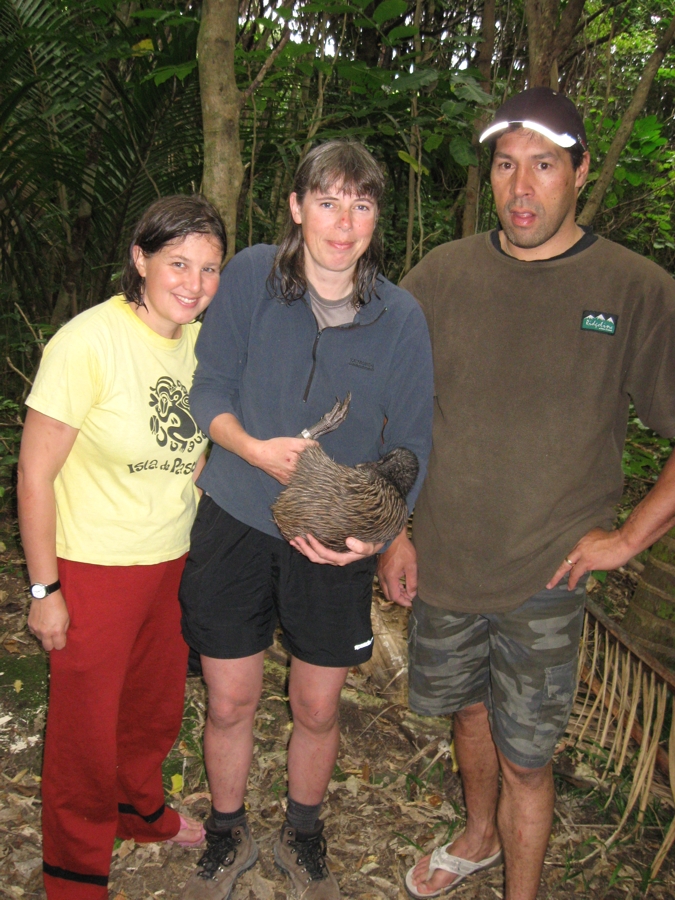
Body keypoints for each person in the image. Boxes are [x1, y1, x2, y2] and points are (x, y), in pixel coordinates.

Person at [377, 87, 675, 900]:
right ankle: (475, 836)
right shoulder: (442, 274)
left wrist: (626, 540)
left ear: (579, 172)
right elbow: (392, 412)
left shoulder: (634, 289)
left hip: (547, 576)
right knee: (465, 715)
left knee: (526, 755)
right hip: (442, 559)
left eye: (543, 166)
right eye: (506, 165)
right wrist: (395, 532)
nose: (521, 187)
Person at [179, 140, 434, 900]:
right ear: (296, 207)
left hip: (334, 535)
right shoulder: (253, 275)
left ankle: (303, 831)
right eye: (326, 201)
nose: (342, 222)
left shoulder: (400, 316)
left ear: (375, 217)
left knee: (317, 704)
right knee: (230, 698)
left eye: (360, 204)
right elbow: (208, 388)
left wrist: (379, 532)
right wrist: (253, 449)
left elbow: (411, 443)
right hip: (234, 513)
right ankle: (226, 833)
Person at [17, 195, 227, 900]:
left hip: (169, 563)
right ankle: (73, 873)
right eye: (177, 264)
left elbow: (198, 452)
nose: (193, 283)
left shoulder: (201, 343)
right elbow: (35, 472)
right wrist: (46, 591)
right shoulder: (87, 341)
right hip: (92, 567)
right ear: (140, 259)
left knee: (153, 707)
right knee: (84, 732)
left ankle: (139, 811)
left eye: (209, 268)